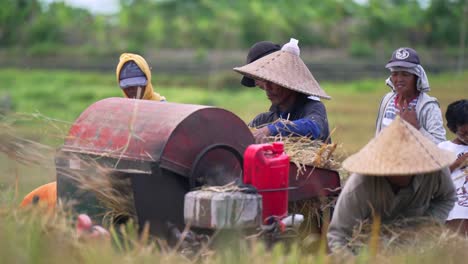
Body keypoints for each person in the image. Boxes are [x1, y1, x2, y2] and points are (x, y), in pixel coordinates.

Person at [327, 117, 456, 253]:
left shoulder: (435, 170)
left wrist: (427, 226)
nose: (401, 172)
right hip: (369, 246)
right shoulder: (359, 186)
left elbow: (447, 197)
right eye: (396, 168)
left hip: (417, 245)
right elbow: (337, 236)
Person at [234, 38, 331, 143]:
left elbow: (314, 127)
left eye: (273, 82)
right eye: (263, 83)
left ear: (288, 80)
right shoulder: (262, 121)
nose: (267, 88)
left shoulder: (312, 108)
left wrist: (273, 129)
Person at [375, 47, 446, 144]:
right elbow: (379, 135)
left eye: (405, 74)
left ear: (417, 78)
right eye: (395, 74)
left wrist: (416, 128)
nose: (399, 79)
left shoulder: (429, 106)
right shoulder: (387, 100)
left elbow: (440, 145)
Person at [438, 99, 468, 235]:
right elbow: (435, 178)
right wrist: (456, 164)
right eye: (464, 133)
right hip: (455, 208)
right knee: (458, 242)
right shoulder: (444, 148)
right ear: (452, 128)